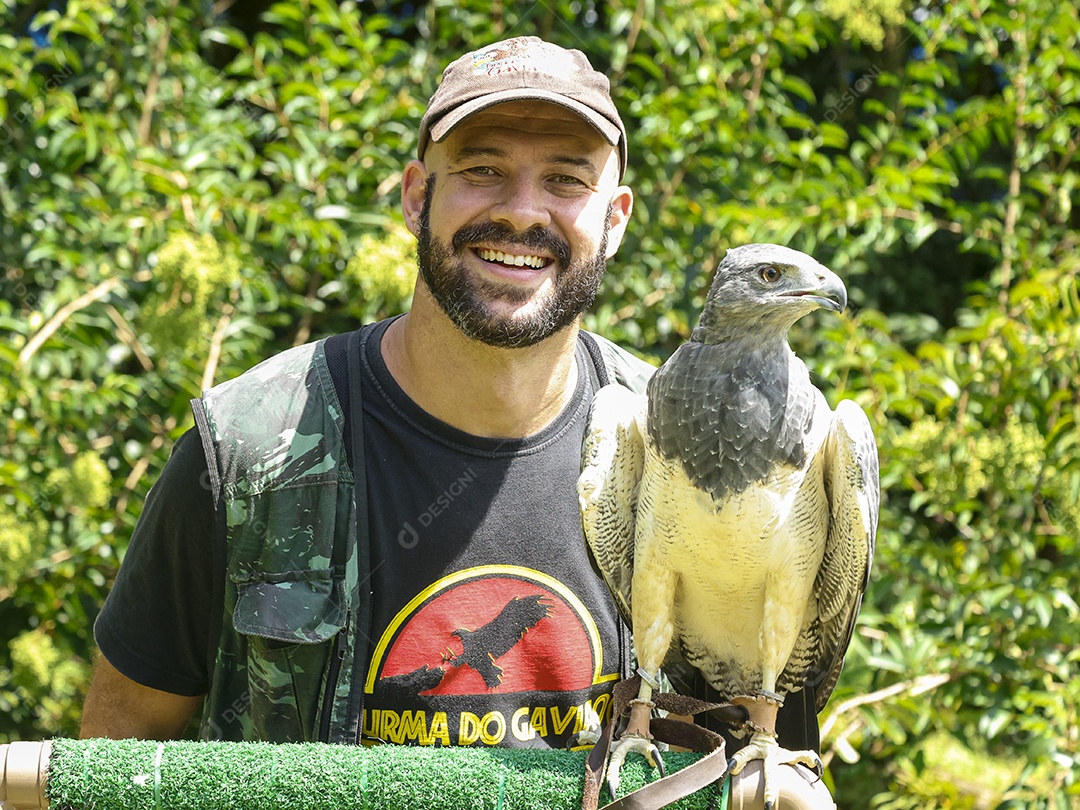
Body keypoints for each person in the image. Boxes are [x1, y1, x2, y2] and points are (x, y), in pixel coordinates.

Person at [80, 35, 653, 748]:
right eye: (482, 169)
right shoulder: (251, 449)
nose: (524, 212)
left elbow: (761, 754)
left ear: (616, 218)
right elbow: (116, 759)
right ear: (417, 197)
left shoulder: (672, 452)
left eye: (567, 181)